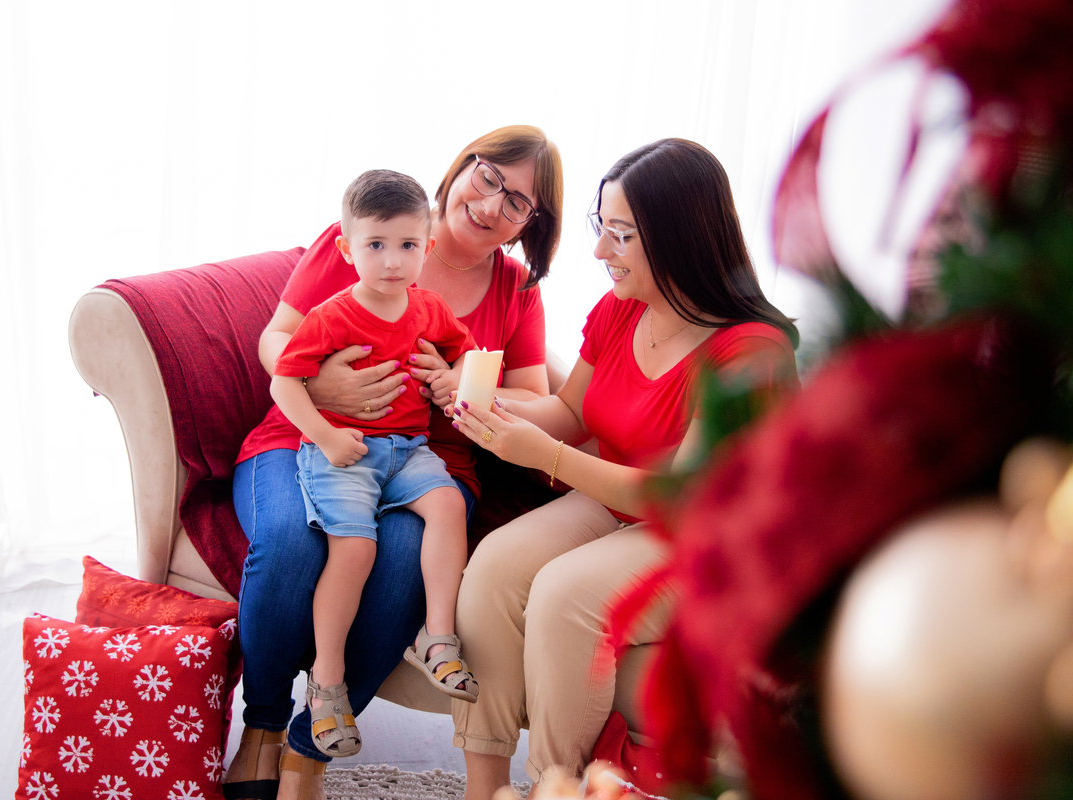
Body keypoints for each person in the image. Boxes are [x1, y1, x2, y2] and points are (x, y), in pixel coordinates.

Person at [447, 138, 800, 800]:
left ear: (680, 239)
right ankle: (483, 788)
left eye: (622, 235)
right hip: (613, 504)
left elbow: (682, 496)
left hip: (702, 536)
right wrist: (488, 409)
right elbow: (570, 411)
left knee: (567, 597)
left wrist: (546, 456)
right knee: (493, 567)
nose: (600, 252)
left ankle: (558, 787)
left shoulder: (753, 351)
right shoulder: (619, 309)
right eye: (600, 227)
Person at [225, 125, 563, 800]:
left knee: (403, 560)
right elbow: (277, 341)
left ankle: (305, 750)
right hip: (307, 439)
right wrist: (321, 390)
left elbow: (540, 402)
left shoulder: (515, 289)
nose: (494, 203)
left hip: (425, 460)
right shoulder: (370, 231)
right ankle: (261, 726)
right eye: (490, 176)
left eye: (519, 202)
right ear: (463, 165)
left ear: (531, 224)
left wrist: (461, 385)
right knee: (291, 541)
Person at [270, 169, 480, 760]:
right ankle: (328, 681)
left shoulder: (427, 307)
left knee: (445, 504)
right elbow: (284, 383)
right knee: (355, 549)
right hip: (347, 452)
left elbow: (463, 350)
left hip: (409, 449)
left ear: (427, 248)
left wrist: (452, 377)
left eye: (408, 246)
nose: (393, 261)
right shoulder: (333, 316)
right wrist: (326, 435)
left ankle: (438, 637)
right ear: (347, 249)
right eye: (376, 245)